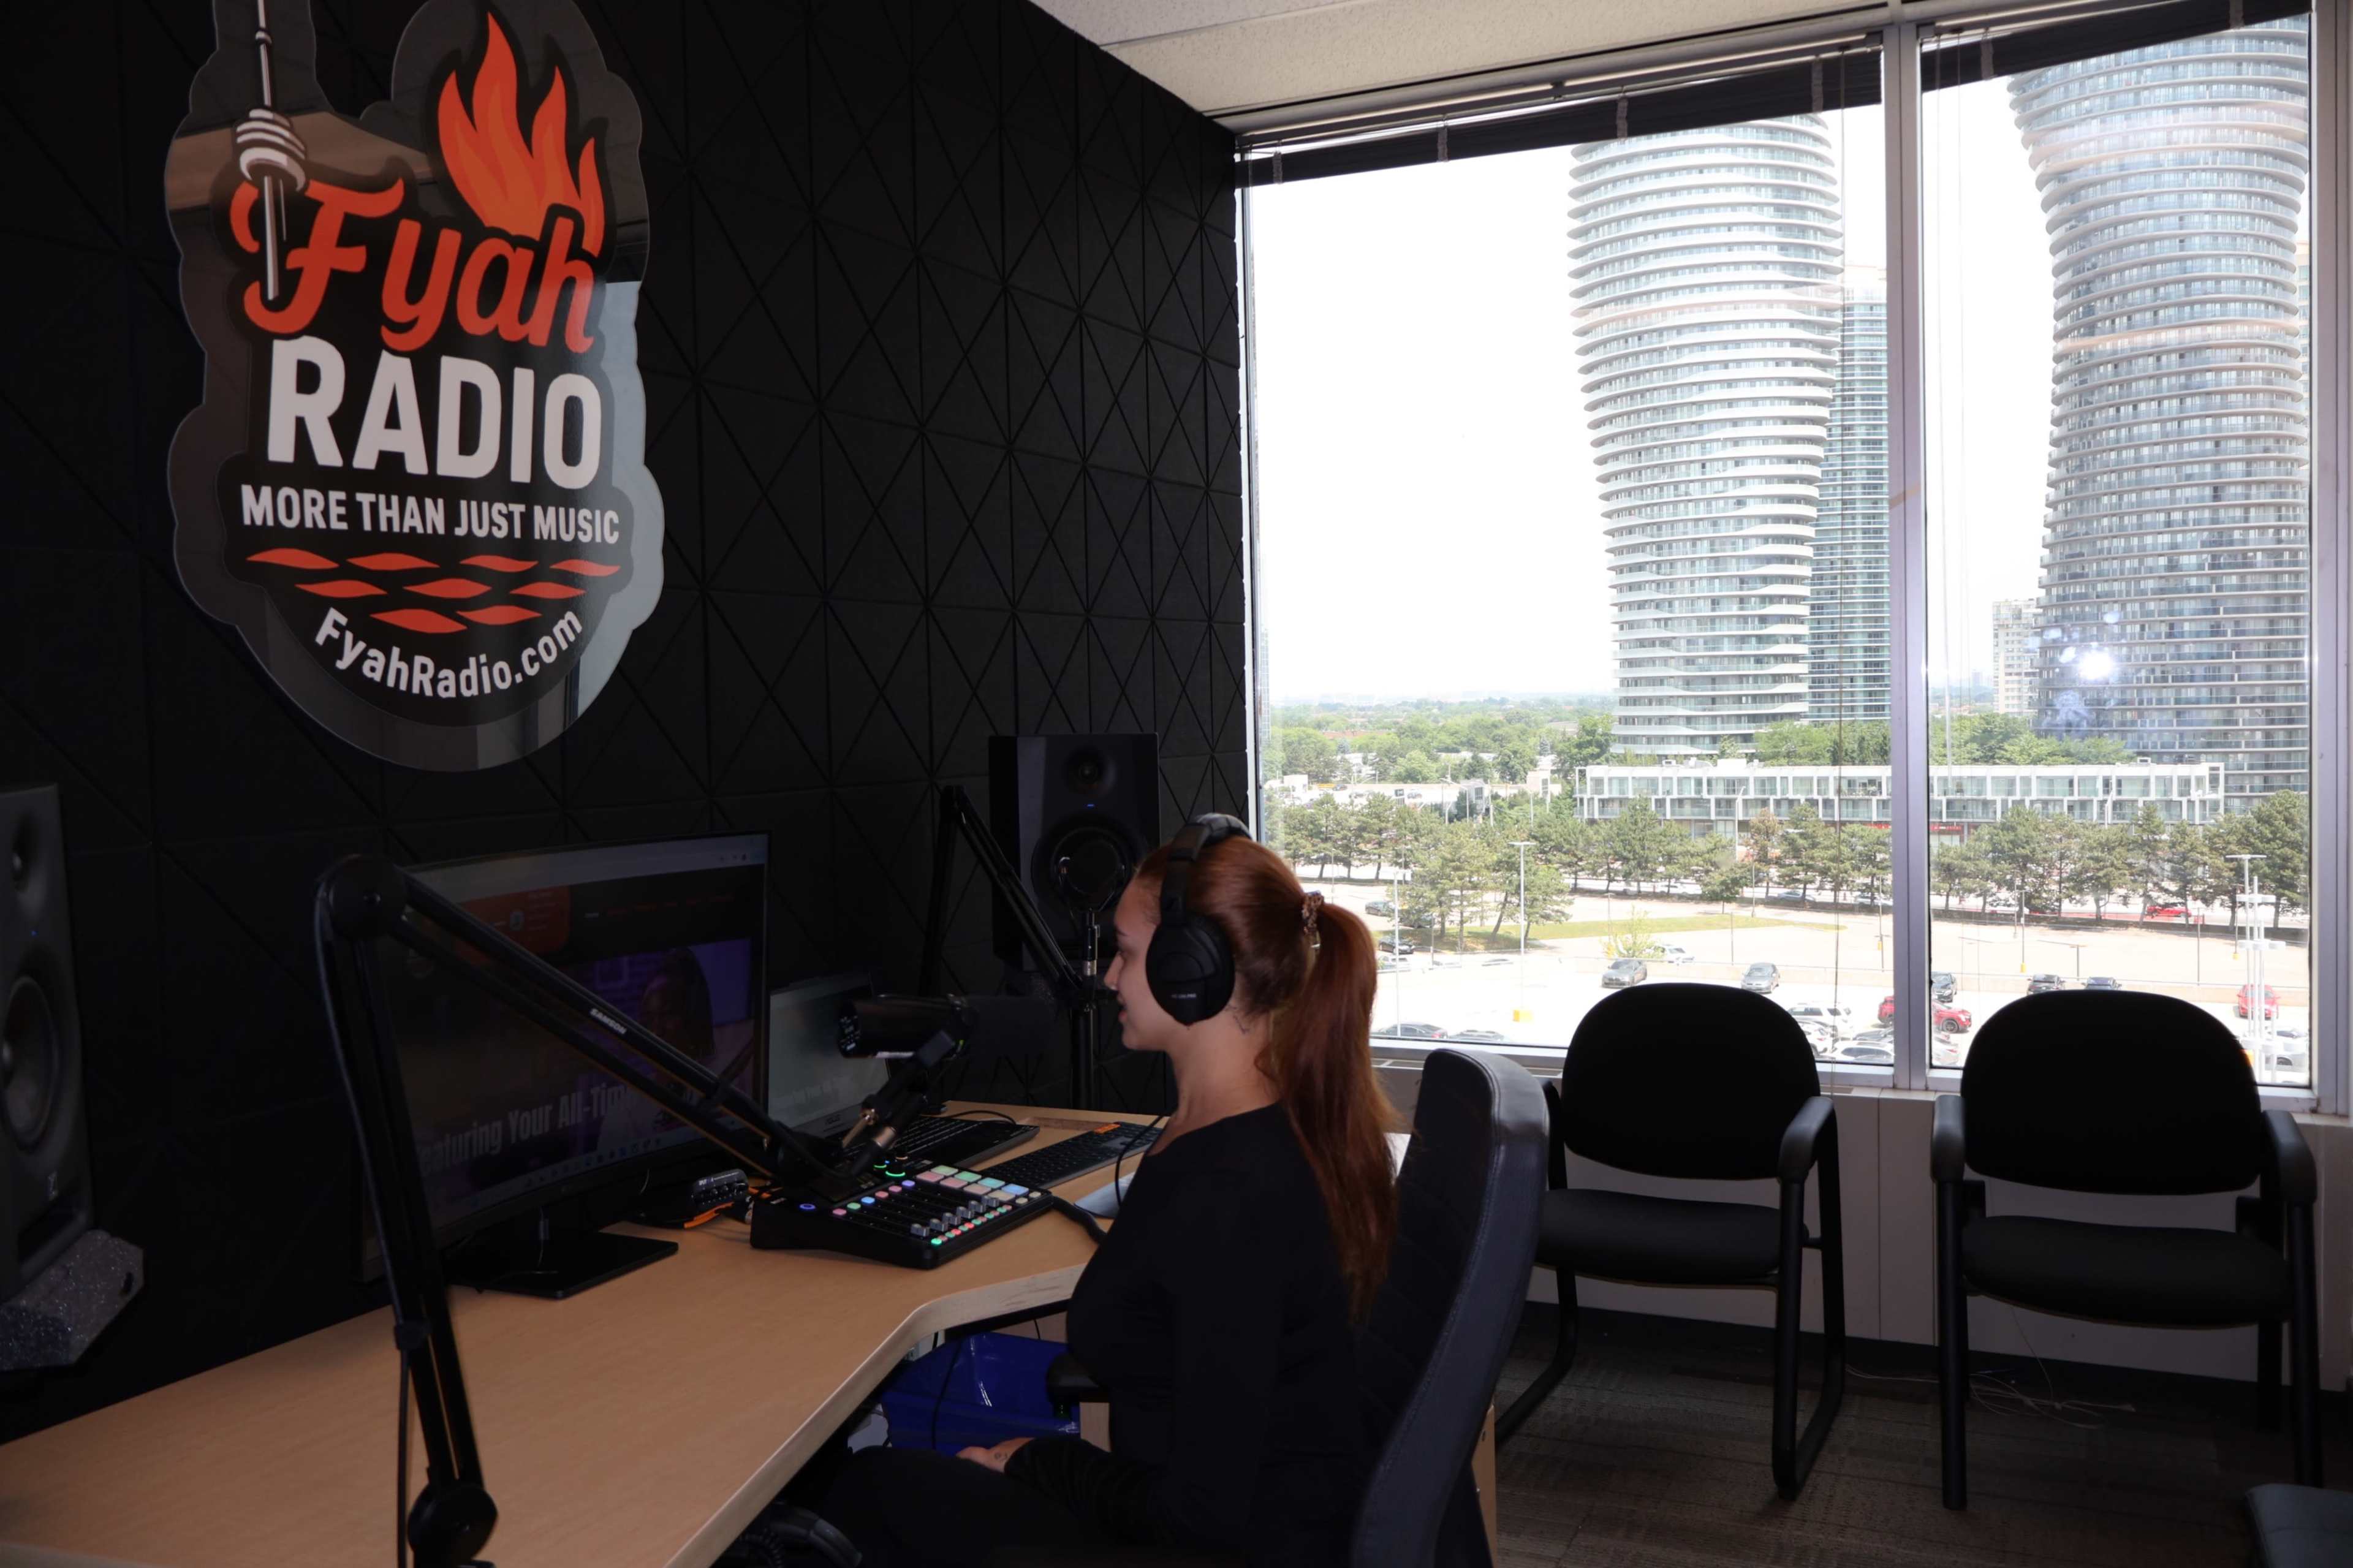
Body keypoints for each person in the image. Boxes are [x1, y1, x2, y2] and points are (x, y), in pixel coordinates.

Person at [823, 825, 1398, 1567]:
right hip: (1246, 1516)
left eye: (1125, 952)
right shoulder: (1271, 1130)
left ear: (1194, 971)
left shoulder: (1227, 1192)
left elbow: (1204, 1514)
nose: (1107, 978)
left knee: (861, 1496)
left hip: (1228, 1542)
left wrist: (1037, 1461)